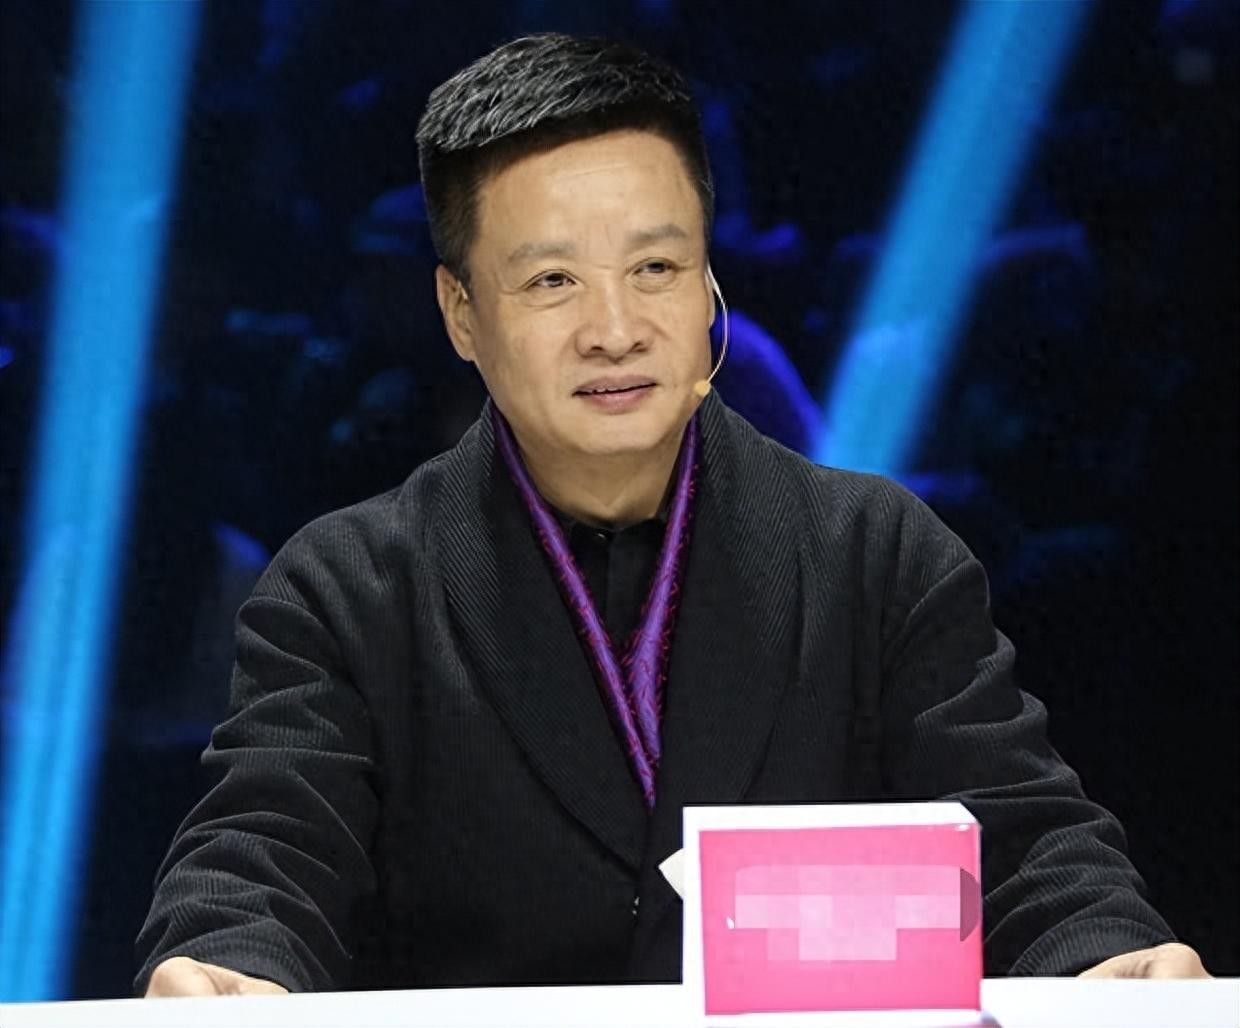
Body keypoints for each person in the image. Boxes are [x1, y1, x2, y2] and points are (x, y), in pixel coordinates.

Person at [137, 33, 1207, 997]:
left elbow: (1022, 838)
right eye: (552, 281)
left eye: (656, 267)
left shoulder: (876, 552)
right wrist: (228, 957)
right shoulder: (347, 586)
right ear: (461, 313)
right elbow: (267, 844)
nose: (615, 329)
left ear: (708, 286)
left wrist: (1105, 946)